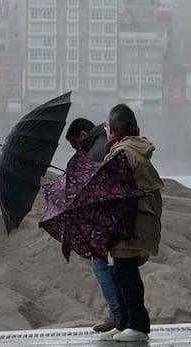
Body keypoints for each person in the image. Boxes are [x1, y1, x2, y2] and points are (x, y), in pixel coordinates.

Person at [101, 104, 163, 343]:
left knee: (126, 273)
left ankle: (137, 325)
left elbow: (114, 190)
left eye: (107, 127)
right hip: (132, 221)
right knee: (119, 271)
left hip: (130, 223)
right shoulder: (129, 149)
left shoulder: (123, 152)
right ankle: (126, 322)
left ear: (113, 129)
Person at [64, 117, 121, 333]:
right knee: (118, 269)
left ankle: (117, 315)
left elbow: (95, 186)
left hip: (106, 219)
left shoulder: (96, 150)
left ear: (83, 135)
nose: (77, 149)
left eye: (76, 143)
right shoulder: (103, 141)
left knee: (101, 266)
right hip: (115, 216)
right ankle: (120, 315)